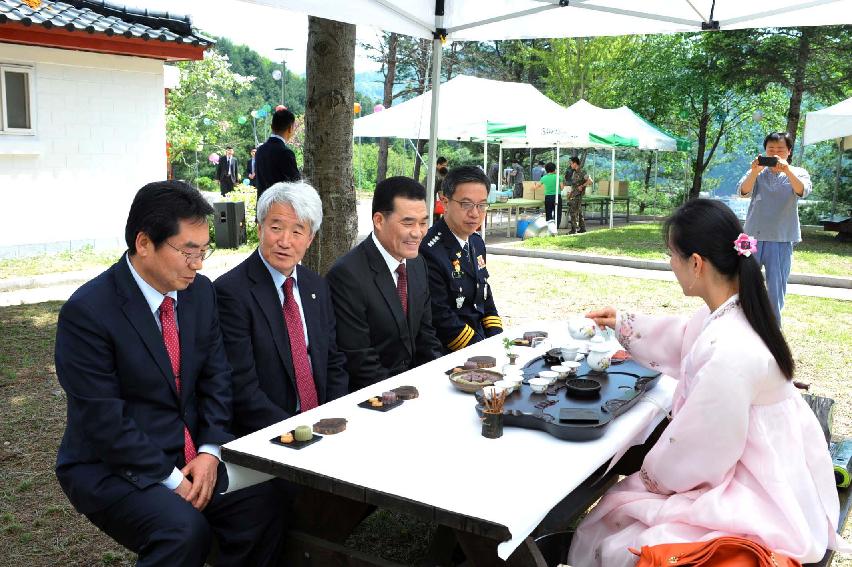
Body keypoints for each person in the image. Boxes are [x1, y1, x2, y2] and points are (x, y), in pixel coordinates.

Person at [567, 199, 843, 567]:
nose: (670, 263)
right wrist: (623, 322)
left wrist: (651, 474)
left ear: (695, 263)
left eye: (671, 255)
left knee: (617, 526)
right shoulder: (734, 312)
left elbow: (701, 447)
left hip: (759, 481)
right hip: (770, 460)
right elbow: (682, 338)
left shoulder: (731, 348)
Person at [54, 181, 283, 567]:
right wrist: (173, 480)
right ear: (144, 243)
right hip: (112, 465)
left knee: (268, 499)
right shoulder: (88, 313)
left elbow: (217, 378)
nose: (198, 263)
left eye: (203, 250)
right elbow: (104, 421)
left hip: (193, 454)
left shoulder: (200, 293)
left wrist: (211, 451)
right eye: (187, 251)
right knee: (183, 530)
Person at [215, 181, 348, 435]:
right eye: (276, 228)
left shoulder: (316, 286)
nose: (285, 241)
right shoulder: (231, 292)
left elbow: (334, 361)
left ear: (310, 239)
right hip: (271, 432)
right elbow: (241, 387)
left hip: (323, 423)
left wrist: (333, 416)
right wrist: (298, 432)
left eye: (298, 232)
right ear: (259, 229)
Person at [327, 177, 443, 392]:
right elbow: (360, 359)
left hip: (415, 388)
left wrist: (436, 381)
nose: (418, 232)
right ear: (379, 221)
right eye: (408, 223)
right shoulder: (347, 275)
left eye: (423, 222)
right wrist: (403, 396)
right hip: (372, 396)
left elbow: (427, 336)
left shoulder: (417, 263)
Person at [420, 166, 503, 353]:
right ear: (445, 201)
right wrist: (482, 348)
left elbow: (484, 297)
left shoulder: (476, 242)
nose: (475, 213)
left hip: (480, 342)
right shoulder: (429, 250)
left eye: (481, 205)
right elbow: (440, 316)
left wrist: (498, 339)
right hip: (450, 351)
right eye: (466, 204)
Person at [737, 131, 811, 324]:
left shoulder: (799, 172)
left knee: (776, 288)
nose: (775, 153)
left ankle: (773, 330)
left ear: (789, 151)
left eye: (780, 149)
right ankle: (741, 324)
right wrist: (754, 171)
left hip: (782, 237)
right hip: (750, 237)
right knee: (743, 283)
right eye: (771, 149)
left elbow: (802, 191)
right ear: (764, 151)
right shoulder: (756, 171)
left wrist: (787, 171)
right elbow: (743, 192)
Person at [255, 107, 300, 201]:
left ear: (271, 126)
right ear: (290, 128)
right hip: (279, 209)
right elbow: (296, 185)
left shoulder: (260, 150)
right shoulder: (286, 153)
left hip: (262, 206)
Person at [567, 156, 590, 234]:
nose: (570, 165)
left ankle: (574, 229)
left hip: (578, 195)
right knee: (579, 212)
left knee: (573, 212)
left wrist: (582, 186)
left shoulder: (582, 171)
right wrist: (571, 192)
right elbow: (574, 184)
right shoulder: (574, 172)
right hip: (574, 194)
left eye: (571, 163)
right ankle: (582, 228)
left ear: (575, 163)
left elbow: (590, 181)